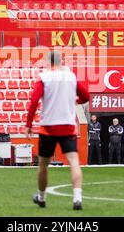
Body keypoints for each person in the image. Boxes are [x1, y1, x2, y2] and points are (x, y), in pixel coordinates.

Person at [25, 51, 89, 210]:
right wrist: (76, 101)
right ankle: (77, 198)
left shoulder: (45, 77)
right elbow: (86, 96)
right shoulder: (71, 77)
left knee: (43, 165)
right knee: (74, 162)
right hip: (67, 126)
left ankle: (41, 197)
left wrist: (28, 123)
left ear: (48, 62)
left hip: (48, 127)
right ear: (61, 62)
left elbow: (34, 100)